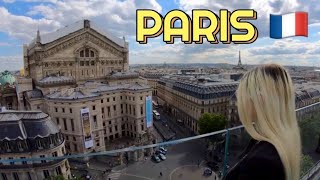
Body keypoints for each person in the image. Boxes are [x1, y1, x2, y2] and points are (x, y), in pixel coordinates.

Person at [224, 64, 301, 180]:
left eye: (242, 96)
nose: (240, 102)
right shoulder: (283, 139)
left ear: (259, 99)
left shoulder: (261, 162)